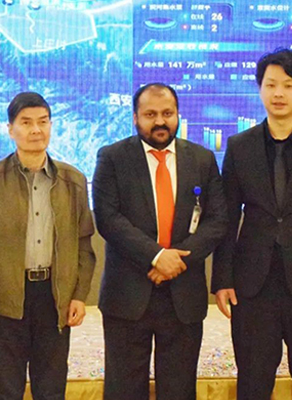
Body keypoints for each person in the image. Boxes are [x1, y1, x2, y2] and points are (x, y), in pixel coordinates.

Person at [93, 83, 227, 400]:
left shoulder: (202, 159)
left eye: (167, 113)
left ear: (178, 114)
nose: (160, 122)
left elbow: (217, 220)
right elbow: (109, 219)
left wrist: (176, 261)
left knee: (179, 391)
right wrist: (156, 257)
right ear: (135, 118)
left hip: (183, 295)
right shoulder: (113, 157)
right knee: (123, 391)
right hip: (127, 295)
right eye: (150, 114)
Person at [0, 92, 96, 399]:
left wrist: (79, 294)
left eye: (43, 122)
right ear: (10, 129)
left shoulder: (73, 180)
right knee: (5, 388)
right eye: (26, 123)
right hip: (7, 296)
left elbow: (84, 244)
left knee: (51, 388)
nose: (36, 130)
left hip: (55, 296)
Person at [212, 49, 292, 400]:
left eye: (288, 85)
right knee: (253, 381)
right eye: (271, 84)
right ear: (259, 89)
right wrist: (223, 279)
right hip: (253, 285)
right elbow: (228, 216)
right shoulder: (239, 146)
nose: (279, 93)